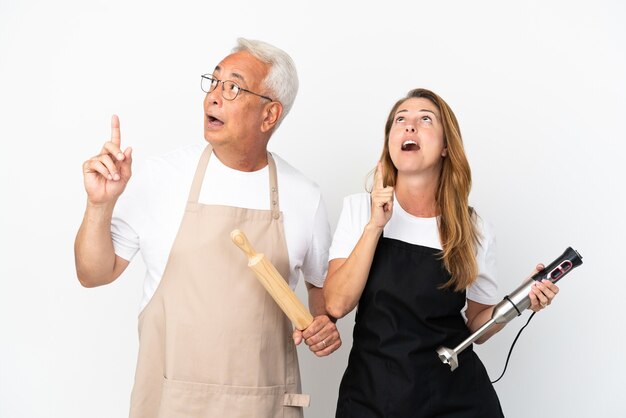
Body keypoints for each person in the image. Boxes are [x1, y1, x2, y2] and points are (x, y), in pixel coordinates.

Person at [74, 38, 340, 418]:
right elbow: (92, 274)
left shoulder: (304, 196)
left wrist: (324, 323)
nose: (213, 97)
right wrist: (99, 205)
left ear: (270, 115)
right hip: (171, 404)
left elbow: (321, 292)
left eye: (232, 87)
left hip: (264, 406)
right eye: (213, 82)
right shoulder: (161, 177)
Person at [323, 88, 559, 417]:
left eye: (425, 120)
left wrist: (520, 301)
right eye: (400, 120)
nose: (409, 126)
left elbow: (478, 326)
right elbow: (336, 303)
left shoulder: (473, 228)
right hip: (373, 396)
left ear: (447, 146)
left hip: (455, 398)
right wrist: (376, 225)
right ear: (390, 142)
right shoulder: (360, 210)